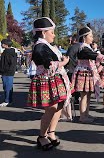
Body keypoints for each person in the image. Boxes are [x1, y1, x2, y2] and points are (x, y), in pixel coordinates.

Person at [27, 17, 72, 151]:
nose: (54, 35)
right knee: (51, 108)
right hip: (46, 79)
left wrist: (62, 61)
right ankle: (42, 136)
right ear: (44, 32)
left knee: (58, 106)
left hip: (54, 79)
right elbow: (48, 64)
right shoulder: (40, 46)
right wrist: (63, 62)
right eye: (52, 32)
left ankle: (51, 132)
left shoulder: (47, 46)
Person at [72, 26, 104, 123]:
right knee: (84, 95)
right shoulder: (83, 48)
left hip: (88, 73)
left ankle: (86, 113)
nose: (92, 38)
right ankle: (82, 116)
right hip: (83, 73)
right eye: (90, 36)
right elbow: (92, 55)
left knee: (88, 94)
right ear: (84, 37)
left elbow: (93, 55)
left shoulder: (87, 47)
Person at [0, 39, 17, 107]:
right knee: (8, 87)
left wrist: (4, 70)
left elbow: (9, 63)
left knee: (7, 86)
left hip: (7, 72)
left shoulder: (7, 53)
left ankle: (7, 100)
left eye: (2, 44)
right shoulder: (10, 52)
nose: (1, 45)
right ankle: (9, 100)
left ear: (5, 45)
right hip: (8, 72)